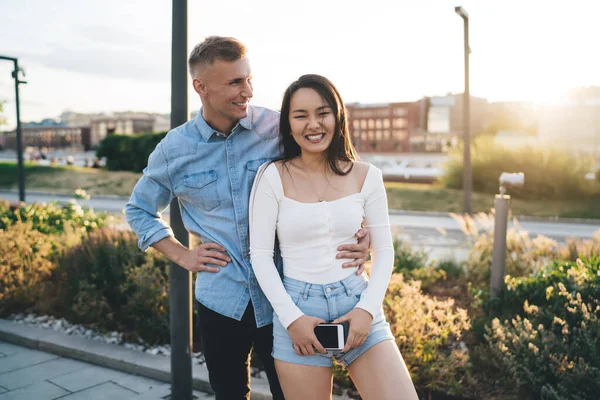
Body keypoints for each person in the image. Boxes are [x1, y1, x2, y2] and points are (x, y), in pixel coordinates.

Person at [125, 36, 370, 400]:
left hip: (286, 298)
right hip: (222, 299)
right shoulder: (173, 150)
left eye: (249, 78)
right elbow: (138, 209)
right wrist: (182, 255)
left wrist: (362, 230)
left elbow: (329, 173)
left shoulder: (276, 128)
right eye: (235, 82)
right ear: (201, 87)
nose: (248, 91)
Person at [249, 74, 419, 400]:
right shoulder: (272, 176)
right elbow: (260, 255)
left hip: (357, 303)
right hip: (298, 312)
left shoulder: (367, 176)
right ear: (288, 123)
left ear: (337, 115)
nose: (313, 124)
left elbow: (384, 250)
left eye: (322, 112)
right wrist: (292, 319)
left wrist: (367, 311)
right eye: (301, 115)